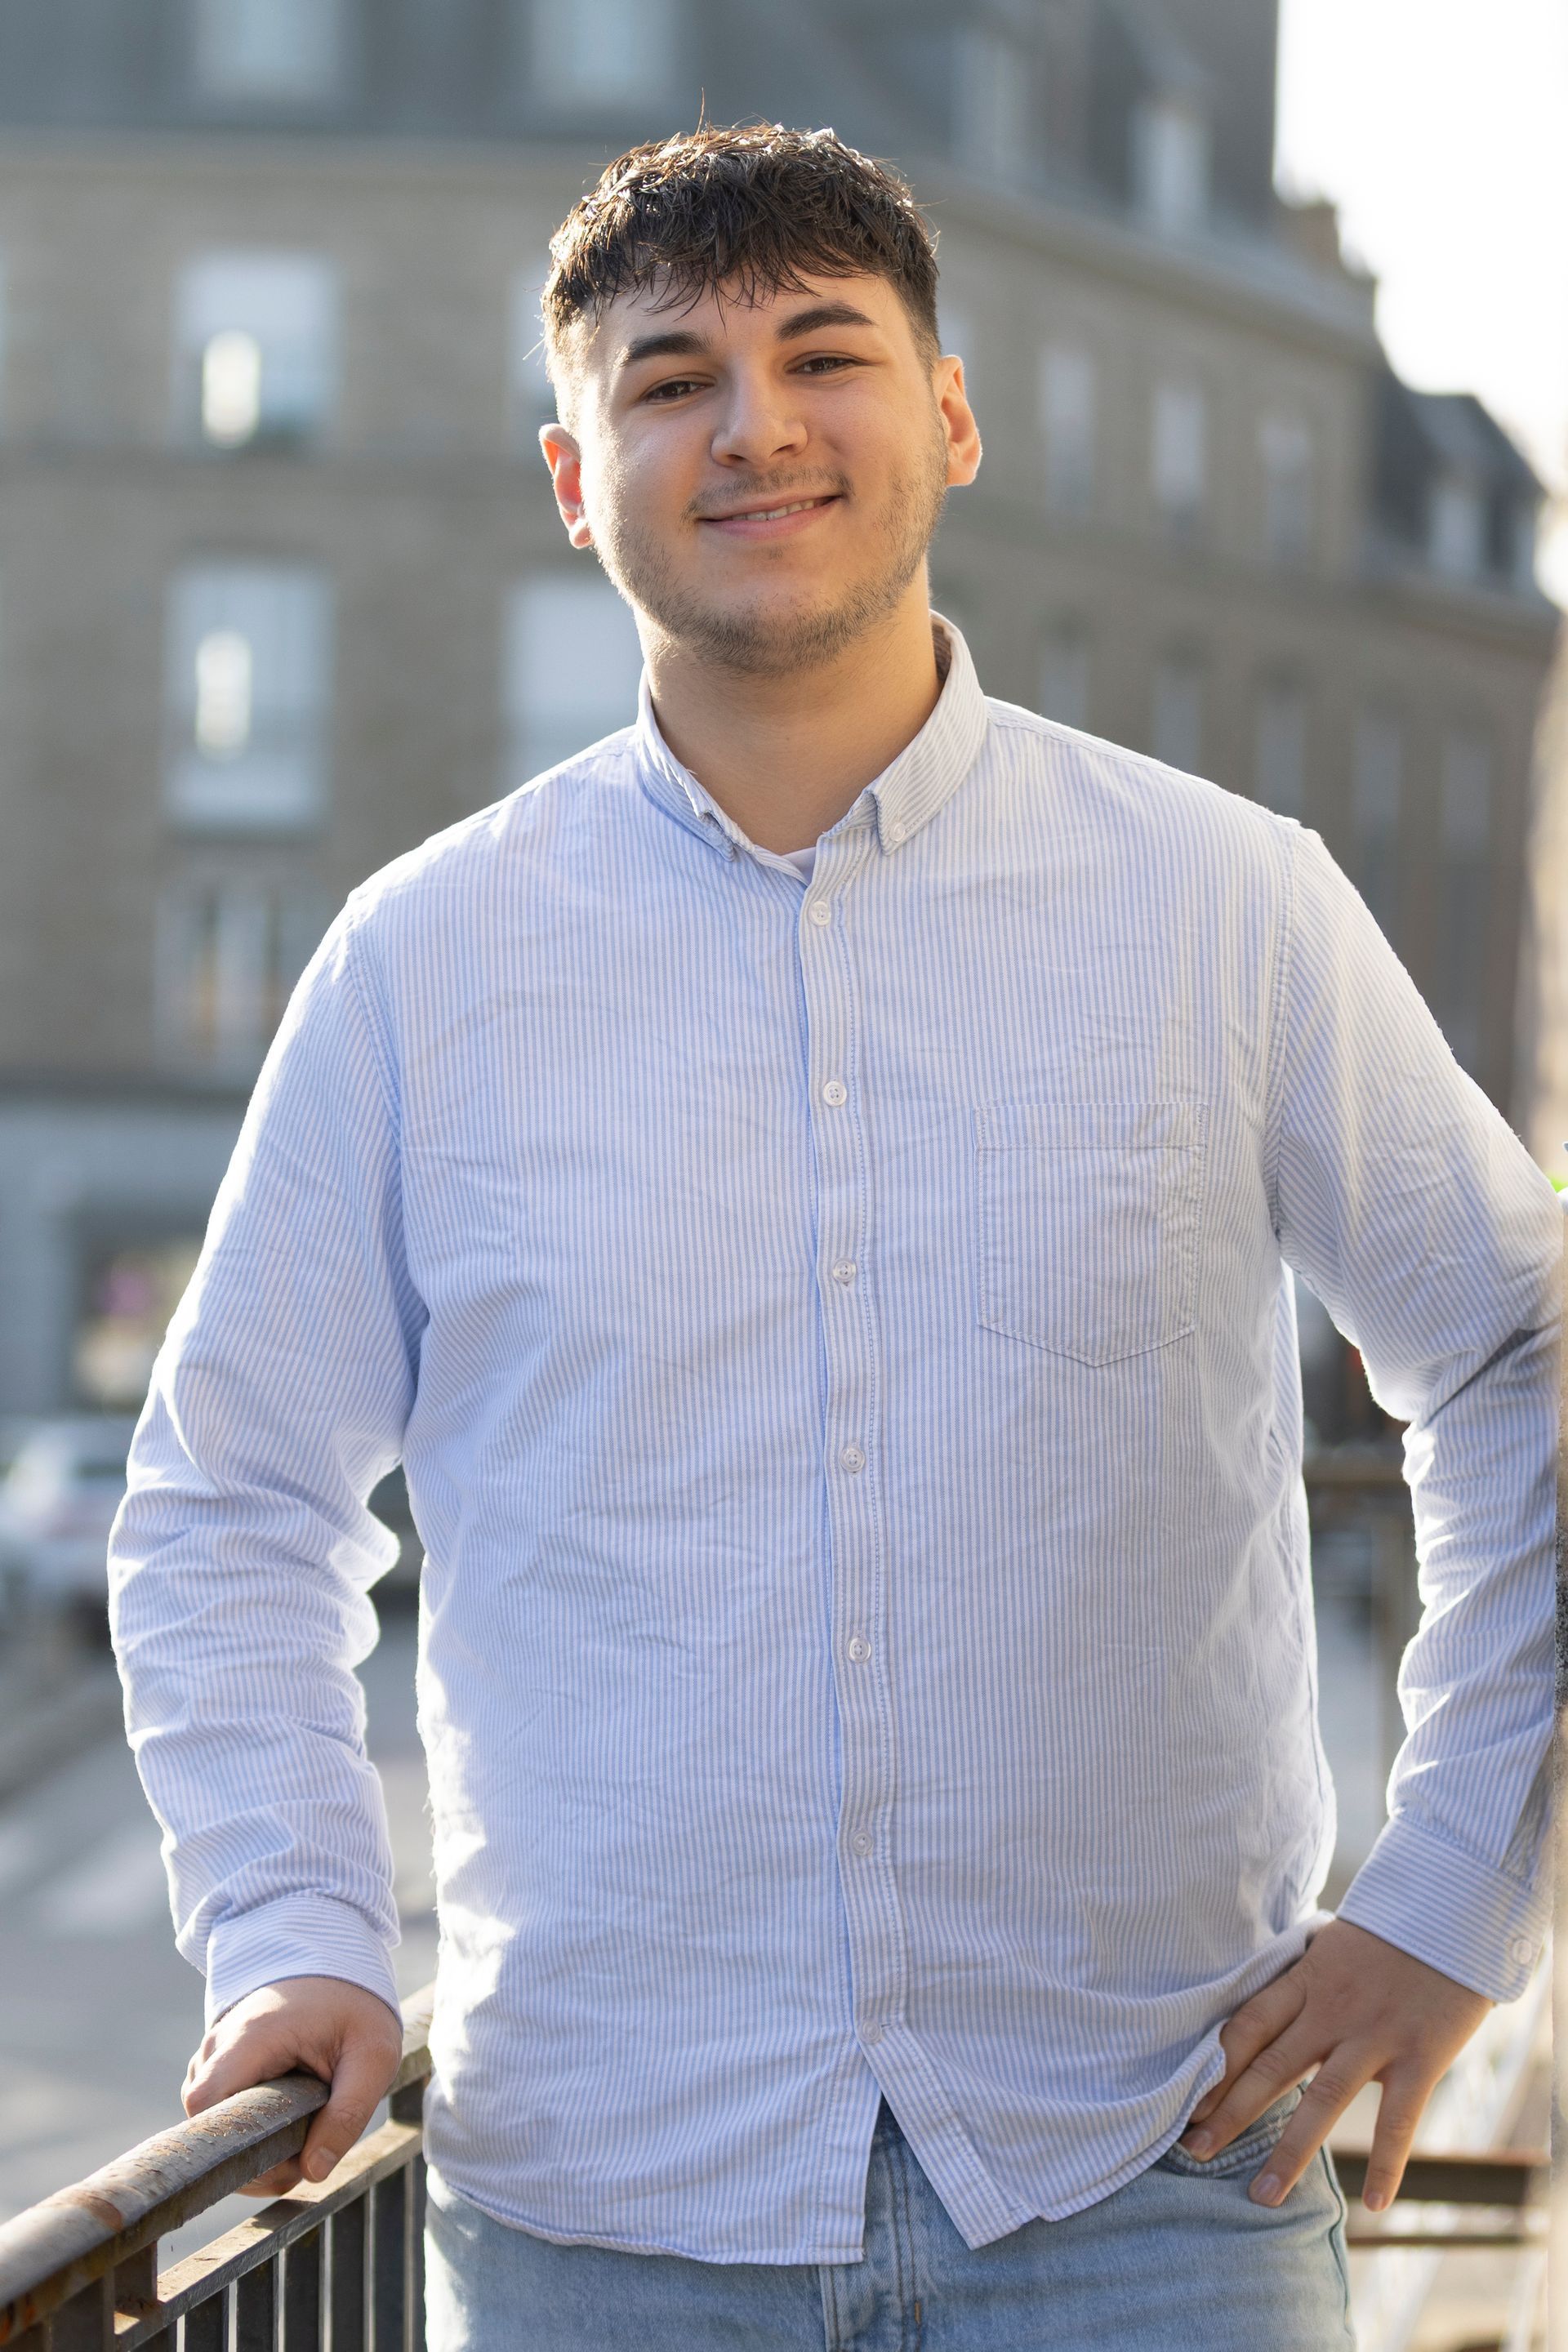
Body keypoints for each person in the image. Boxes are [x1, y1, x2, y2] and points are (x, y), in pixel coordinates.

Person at [109, 123, 1560, 2350]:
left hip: (1155, 2187)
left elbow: (1518, 1354)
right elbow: (226, 1502)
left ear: (952, 420)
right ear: (578, 482)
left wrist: (1457, 1892)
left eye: (824, 353)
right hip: (609, 2215)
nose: (756, 424)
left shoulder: (1229, 905)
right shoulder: (422, 968)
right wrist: (296, 1932)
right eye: (670, 376)